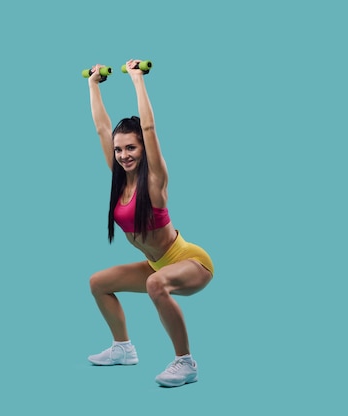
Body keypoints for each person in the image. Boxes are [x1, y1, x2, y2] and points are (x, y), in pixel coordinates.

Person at [85, 60, 214, 387]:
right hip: (155, 263)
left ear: (143, 148)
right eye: (119, 149)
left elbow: (152, 128)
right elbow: (102, 128)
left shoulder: (155, 182)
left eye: (131, 147)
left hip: (191, 262)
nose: (124, 154)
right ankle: (122, 348)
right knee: (98, 283)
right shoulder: (118, 179)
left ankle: (186, 362)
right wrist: (93, 85)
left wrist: (137, 79)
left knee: (156, 285)